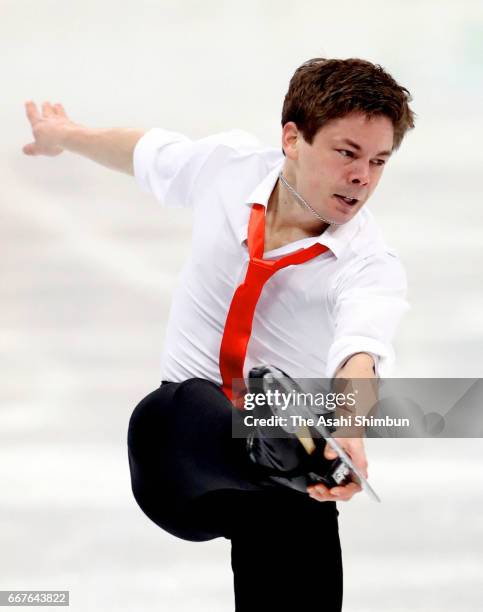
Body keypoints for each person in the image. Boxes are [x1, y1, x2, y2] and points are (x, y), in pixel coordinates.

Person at [23, 57, 415, 611]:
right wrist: (63, 134)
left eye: (378, 161)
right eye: (347, 153)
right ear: (292, 139)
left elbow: (361, 349)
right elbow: (145, 153)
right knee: (193, 408)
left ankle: (292, 455)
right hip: (176, 455)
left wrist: (349, 427)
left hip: (275, 486)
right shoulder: (229, 167)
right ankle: (282, 448)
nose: (363, 178)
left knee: (299, 503)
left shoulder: (368, 263)